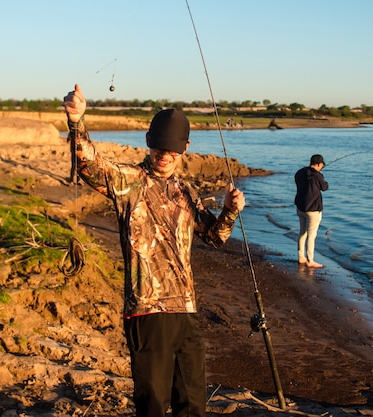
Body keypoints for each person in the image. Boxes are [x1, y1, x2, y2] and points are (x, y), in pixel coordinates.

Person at [63, 84, 245, 417]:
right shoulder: (129, 181)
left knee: (192, 404)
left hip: (186, 312)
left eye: (172, 149)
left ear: (185, 148)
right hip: (146, 311)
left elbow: (215, 238)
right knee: (153, 403)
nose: (164, 155)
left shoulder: (185, 193)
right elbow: (91, 166)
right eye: (159, 147)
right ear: (149, 143)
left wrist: (230, 212)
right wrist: (77, 120)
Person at [294, 154, 328, 268]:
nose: (321, 168)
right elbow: (325, 187)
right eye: (321, 165)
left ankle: (300, 256)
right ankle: (310, 260)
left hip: (300, 207)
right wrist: (320, 176)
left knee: (302, 232)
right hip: (313, 209)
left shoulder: (299, 172)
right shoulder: (317, 175)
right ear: (319, 164)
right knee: (311, 235)